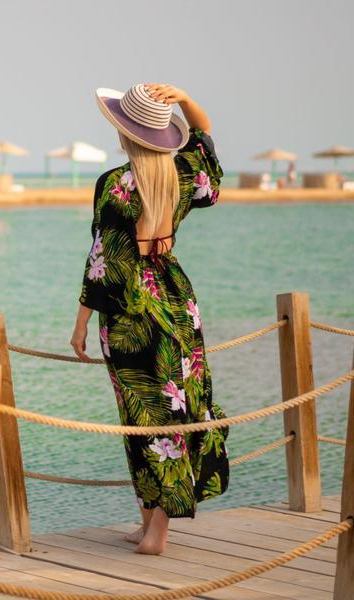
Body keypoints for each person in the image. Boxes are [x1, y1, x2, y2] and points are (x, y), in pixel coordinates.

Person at [70, 83, 229, 555]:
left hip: (128, 310)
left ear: (124, 133)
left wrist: (80, 322)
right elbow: (203, 132)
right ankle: (153, 528)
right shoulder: (183, 173)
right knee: (177, 412)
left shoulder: (114, 185)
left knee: (140, 415)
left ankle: (153, 531)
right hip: (176, 299)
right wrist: (184, 96)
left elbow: (103, 261)